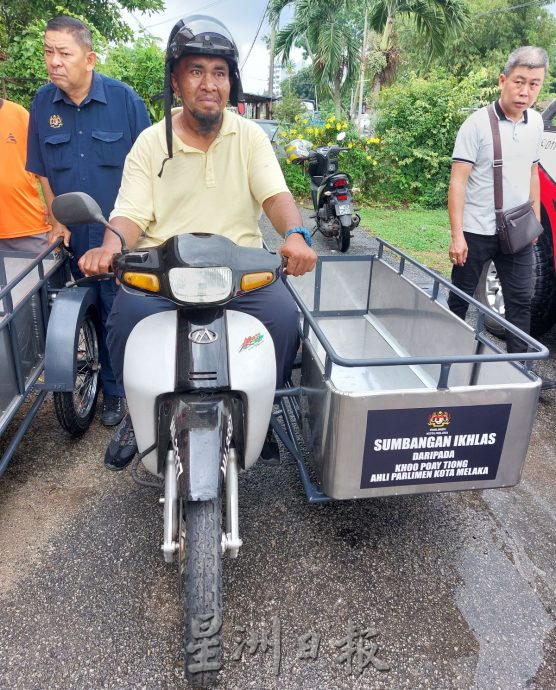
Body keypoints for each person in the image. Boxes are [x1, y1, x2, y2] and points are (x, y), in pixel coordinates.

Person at [78, 15, 317, 471]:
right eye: (195, 71)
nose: (209, 83)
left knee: (285, 320)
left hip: (240, 271)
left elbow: (276, 196)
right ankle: (136, 412)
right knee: (122, 320)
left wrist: (295, 233)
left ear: (231, 84)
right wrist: (111, 244)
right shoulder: (150, 142)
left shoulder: (249, 138)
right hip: (162, 273)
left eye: (219, 72)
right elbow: (129, 212)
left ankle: (261, 414)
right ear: (176, 80)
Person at [26, 16, 151, 426]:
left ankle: (116, 393)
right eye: (49, 52)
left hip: (120, 235)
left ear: (90, 58)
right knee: (79, 308)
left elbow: (152, 169)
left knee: (118, 311)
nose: (54, 61)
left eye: (64, 53)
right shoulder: (43, 104)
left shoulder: (124, 100)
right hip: (74, 235)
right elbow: (42, 168)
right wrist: (55, 218)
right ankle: (88, 377)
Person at [447, 46, 547, 355]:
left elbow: (532, 173)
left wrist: (535, 222)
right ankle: (444, 359)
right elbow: (458, 181)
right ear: (503, 80)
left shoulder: (537, 123)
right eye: (519, 81)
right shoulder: (476, 125)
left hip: (517, 231)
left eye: (534, 84)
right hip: (476, 230)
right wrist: (457, 235)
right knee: (459, 298)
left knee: (520, 302)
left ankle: (519, 371)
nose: (525, 91)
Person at [0, 98, 50, 253]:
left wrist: (55, 216)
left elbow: (44, 169)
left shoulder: (18, 114)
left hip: (25, 227)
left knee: (36, 277)